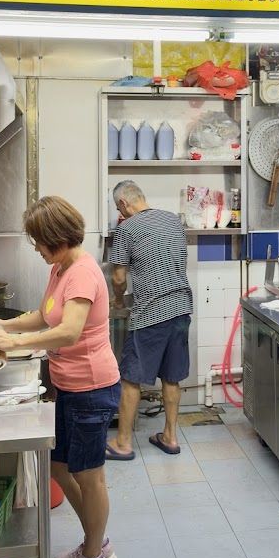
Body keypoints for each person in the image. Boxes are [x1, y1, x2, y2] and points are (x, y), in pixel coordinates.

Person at [0, 196, 121, 558]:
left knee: (90, 477)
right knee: (58, 466)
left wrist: (12, 344)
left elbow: (69, 331)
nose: (37, 249)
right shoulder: (61, 268)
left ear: (56, 237)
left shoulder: (83, 273)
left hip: (91, 387)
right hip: (69, 386)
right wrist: (2, 324)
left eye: (39, 241)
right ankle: (97, 543)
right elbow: (45, 316)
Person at [106, 180, 192, 460]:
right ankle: (169, 437)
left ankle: (122, 443)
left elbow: (118, 277)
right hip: (181, 307)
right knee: (171, 375)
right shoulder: (173, 220)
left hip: (151, 313)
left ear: (122, 205)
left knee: (131, 378)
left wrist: (118, 301)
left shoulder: (126, 228)